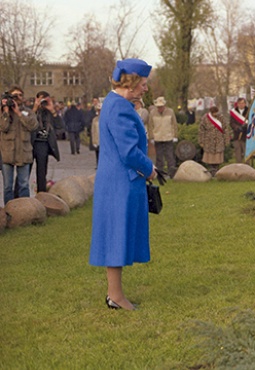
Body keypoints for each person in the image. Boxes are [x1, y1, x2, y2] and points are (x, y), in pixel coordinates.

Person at [89, 58, 156, 311]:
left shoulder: (116, 103)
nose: (146, 89)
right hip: (121, 183)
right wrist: (149, 169)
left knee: (115, 236)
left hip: (117, 181)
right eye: (144, 83)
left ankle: (114, 294)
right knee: (117, 237)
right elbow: (128, 152)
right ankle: (116, 298)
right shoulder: (119, 107)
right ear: (132, 82)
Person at [0, 86, 38, 205]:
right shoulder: (3, 112)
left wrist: (18, 113)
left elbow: (33, 126)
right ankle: (9, 211)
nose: (18, 98)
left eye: (20, 95)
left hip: (24, 152)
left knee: (24, 185)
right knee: (7, 187)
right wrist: (6, 111)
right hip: (7, 153)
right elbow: (3, 127)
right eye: (14, 96)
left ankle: (25, 210)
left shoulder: (28, 112)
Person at [31, 91, 61, 193]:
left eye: (45, 100)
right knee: (25, 172)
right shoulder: (31, 110)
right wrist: (35, 108)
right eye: (41, 100)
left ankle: (42, 194)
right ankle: (21, 197)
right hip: (30, 143)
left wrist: (52, 110)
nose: (43, 103)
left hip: (43, 144)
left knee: (42, 172)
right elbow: (27, 122)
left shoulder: (50, 113)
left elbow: (61, 127)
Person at [147, 96, 178, 177]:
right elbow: (150, 126)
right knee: (159, 157)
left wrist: (175, 136)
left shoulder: (170, 111)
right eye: (158, 107)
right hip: (157, 137)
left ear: (164, 105)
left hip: (168, 137)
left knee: (170, 156)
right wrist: (151, 137)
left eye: (161, 106)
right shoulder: (152, 113)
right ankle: (160, 174)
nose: (160, 108)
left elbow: (174, 124)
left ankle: (172, 174)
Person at [198, 106, 230, 174]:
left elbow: (225, 129)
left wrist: (226, 139)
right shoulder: (205, 118)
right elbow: (201, 130)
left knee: (217, 156)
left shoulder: (221, 118)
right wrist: (201, 141)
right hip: (208, 140)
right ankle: (211, 170)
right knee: (210, 156)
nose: (215, 114)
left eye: (216, 113)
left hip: (219, 140)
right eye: (213, 113)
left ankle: (216, 170)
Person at [229, 97, 248, 163]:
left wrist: (246, 126)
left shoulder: (249, 111)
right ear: (237, 104)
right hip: (237, 135)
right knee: (238, 152)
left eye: (243, 103)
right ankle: (239, 166)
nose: (241, 105)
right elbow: (231, 123)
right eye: (239, 103)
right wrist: (237, 127)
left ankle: (248, 168)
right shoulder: (233, 112)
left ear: (245, 104)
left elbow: (253, 122)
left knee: (246, 152)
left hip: (246, 136)